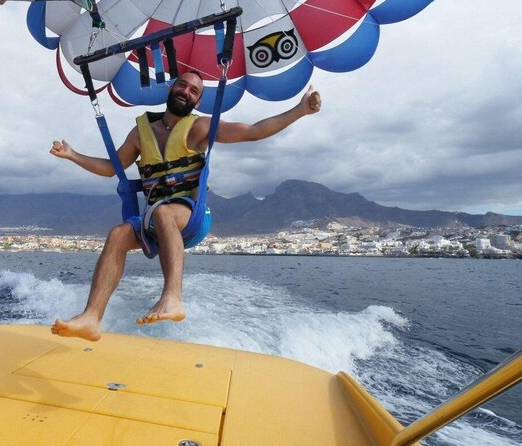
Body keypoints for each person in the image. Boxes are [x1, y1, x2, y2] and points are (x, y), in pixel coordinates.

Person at [49, 71, 321, 341]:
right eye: (183, 85)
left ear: (198, 102)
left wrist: (300, 110)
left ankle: (172, 298)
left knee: (164, 211)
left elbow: (253, 132)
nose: (186, 92)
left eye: (194, 91)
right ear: (170, 89)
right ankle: (91, 318)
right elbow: (111, 168)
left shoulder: (199, 127)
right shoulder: (140, 134)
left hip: (193, 217)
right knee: (117, 234)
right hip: (154, 221)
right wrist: (73, 155)